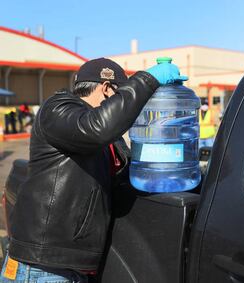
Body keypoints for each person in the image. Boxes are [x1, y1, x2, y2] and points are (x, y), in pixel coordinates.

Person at [0, 57, 187, 282]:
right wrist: (148, 80)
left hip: (74, 266)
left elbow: (124, 174)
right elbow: (96, 127)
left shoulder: (108, 137)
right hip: (44, 267)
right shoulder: (57, 109)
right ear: (107, 89)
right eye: (122, 95)